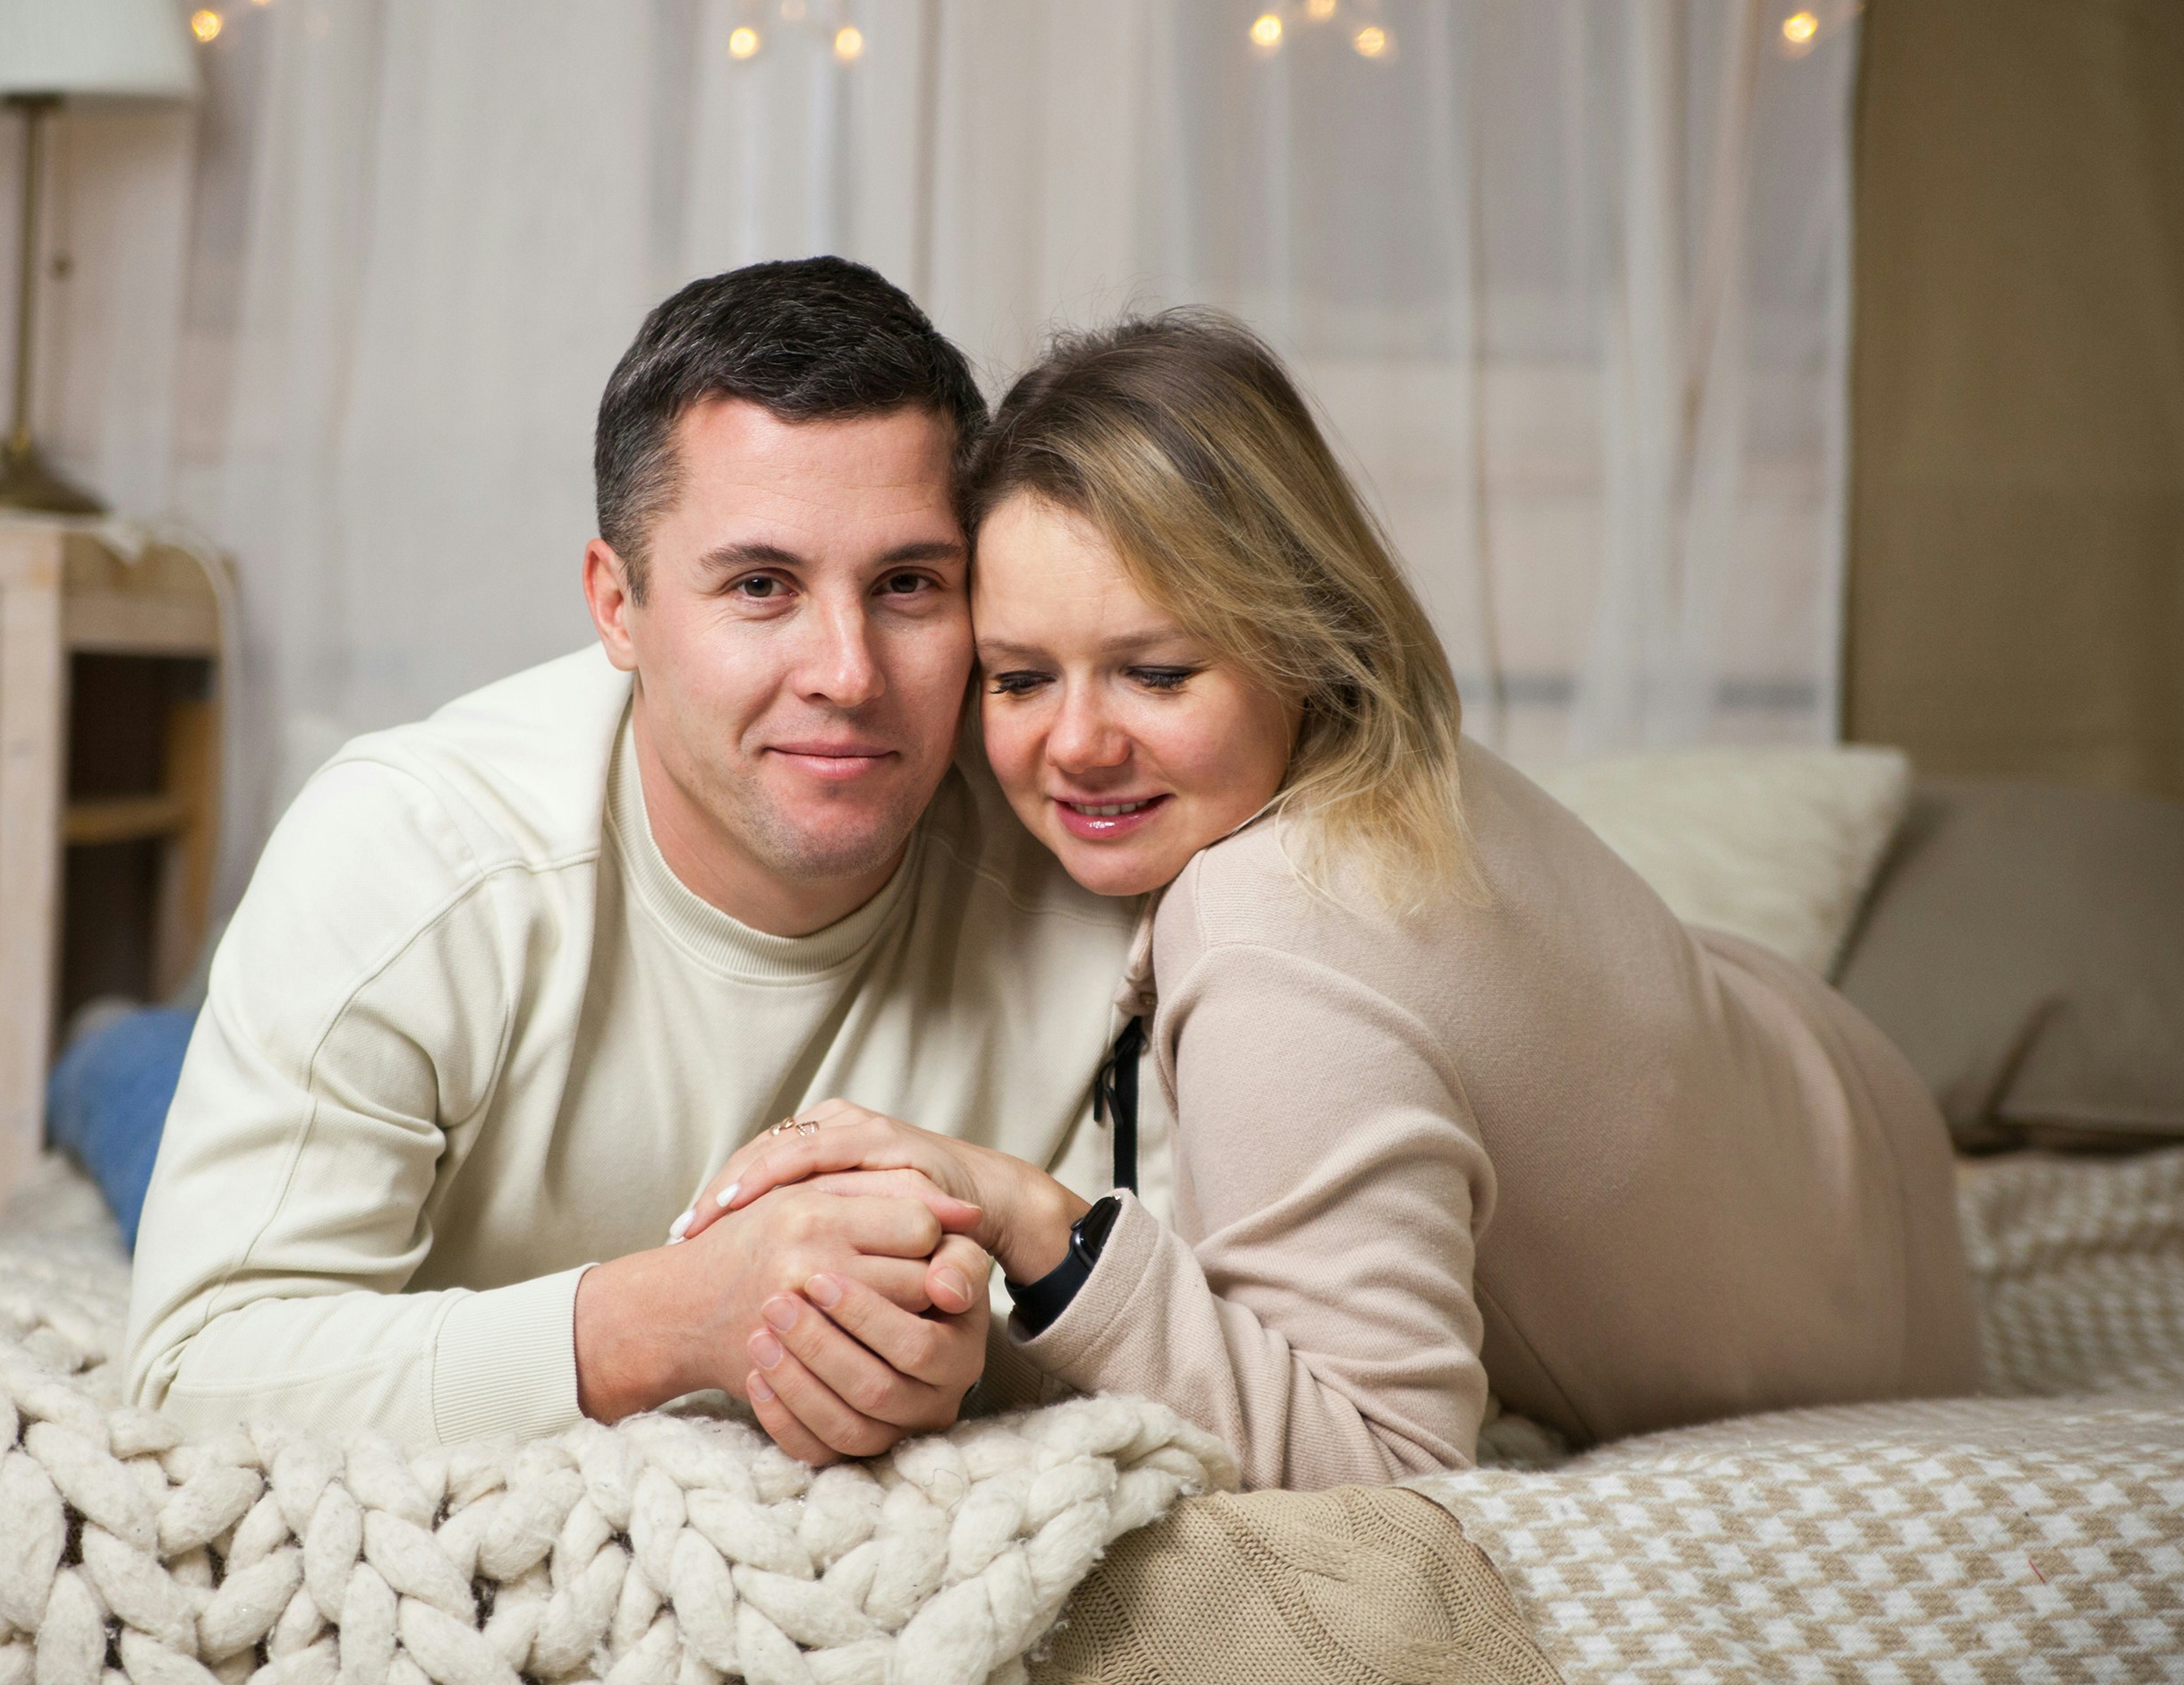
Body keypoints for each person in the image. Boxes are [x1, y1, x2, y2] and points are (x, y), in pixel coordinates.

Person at [683, 311, 1984, 1489]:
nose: (1075, 745)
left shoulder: (1272, 932)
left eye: (1157, 671)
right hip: (1841, 1120)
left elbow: (1387, 1468)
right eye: (1020, 680)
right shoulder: (1396, 761)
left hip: (1854, 1330)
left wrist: (1031, 1214)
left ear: (1302, 638)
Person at [123, 259, 1143, 1458]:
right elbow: (193, 1375)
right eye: (760, 586)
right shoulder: (403, 852)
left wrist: (960, 1357)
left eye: (910, 585)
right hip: (356, 1034)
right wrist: (676, 1316)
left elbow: (1217, 1341)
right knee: (126, 1100)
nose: (849, 673)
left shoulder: (1097, 853)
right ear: (618, 606)